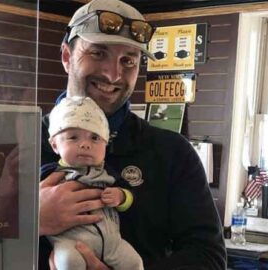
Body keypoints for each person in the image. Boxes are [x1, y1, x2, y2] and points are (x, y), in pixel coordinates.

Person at [38, 0, 227, 269]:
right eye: (98, 53)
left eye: (128, 60)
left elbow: (209, 257)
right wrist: (27, 220)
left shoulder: (172, 152)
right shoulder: (21, 142)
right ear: (67, 57)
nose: (113, 74)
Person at [43, 96, 143, 270]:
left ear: (105, 144)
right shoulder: (50, 174)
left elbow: (130, 196)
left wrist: (121, 196)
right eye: (73, 137)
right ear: (54, 145)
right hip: (70, 242)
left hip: (113, 244)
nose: (85, 145)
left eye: (95, 138)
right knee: (69, 263)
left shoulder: (109, 174)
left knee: (135, 263)